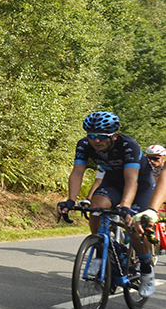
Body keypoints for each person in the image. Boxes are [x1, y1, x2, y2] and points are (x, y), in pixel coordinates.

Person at [56, 112, 156, 297]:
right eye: (91, 135)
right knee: (96, 207)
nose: (96, 141)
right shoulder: (84, 144)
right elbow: (77, 172)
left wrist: (125, 205)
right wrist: (70, 200)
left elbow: (131, 180)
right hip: (113, 183)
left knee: (133, 227)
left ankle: (146, 267)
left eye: (101, 136)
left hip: (140, 185)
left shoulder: (128, 145)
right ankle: (101, 250)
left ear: (114, 135)